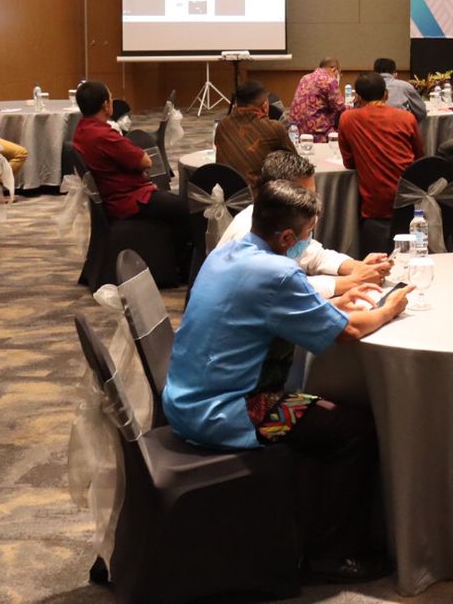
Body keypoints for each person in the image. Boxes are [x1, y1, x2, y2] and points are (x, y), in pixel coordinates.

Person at [164, 179, 404, 583]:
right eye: (307, 235)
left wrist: (333, 303)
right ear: (288, 237)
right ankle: (332, 554)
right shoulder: (277, 272)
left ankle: (304, 520)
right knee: (353, 428)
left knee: (322, 412)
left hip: (184, 398)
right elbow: (347, 332)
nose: (307, 244)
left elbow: (274, 310)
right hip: (231, 413)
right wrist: (389, 309)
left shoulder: (225, 253)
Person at [218, 150, 392, 298]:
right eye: (304, 195)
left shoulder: (277, 219)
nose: (312, 202)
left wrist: (358, 267)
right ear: (279, 194)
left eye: (313, 194)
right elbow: (284, 289)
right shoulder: (248, 233)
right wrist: (353, 281)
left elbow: (312, 255)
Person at [71, 80, 189, 261]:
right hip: (129, 200)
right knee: (187, 208)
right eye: (111, 98)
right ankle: (181, 264)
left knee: (175, 204)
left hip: (114, 195)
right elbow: (146, 162)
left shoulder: (82, 130)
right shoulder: (104, 136)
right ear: (105, 105)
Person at [337, 72, 424, 240]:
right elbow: (419, 157)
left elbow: (349, 163)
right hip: (409, 200)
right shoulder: (407, 118)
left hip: (375, 206)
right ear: (386, 94)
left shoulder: (347, 119)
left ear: (357, 97)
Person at [215, 80, 295, 190]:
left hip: (228, 194)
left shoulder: (222, 126)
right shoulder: (274, 127)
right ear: (265, 105)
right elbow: (295, 163)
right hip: (260, 195)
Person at [289, 58, 343, 138]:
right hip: (317, 133)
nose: (338, 76)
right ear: (334, 69)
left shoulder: (305, 78)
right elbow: (340, 108)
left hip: (296, 131)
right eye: (339, 73)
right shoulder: (330, 80)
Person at [371, 57, 427, 122]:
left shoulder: (366, 86)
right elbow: (421, 112)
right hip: (400, 125)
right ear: (394, 71)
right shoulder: (405, 86)